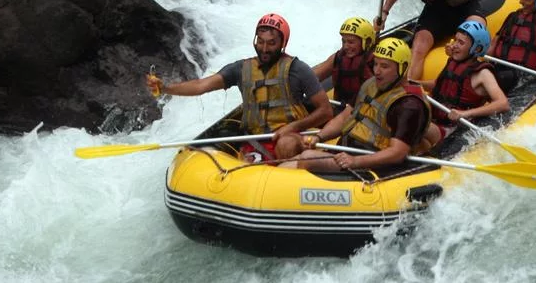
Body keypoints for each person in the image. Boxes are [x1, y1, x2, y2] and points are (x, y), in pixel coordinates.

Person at [145, 13, 333, 160]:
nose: (264, 49)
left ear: (283, 44)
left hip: (291, 136)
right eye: (260, 42)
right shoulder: (241, 69)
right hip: (255, 139)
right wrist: (166, 88)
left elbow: (325, 112)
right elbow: (201, 86)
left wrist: (293, 126)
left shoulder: (298, 69)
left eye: (271, 43)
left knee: (286, 146)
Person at [287, 37, 431, 173]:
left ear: (402, 68)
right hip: (345, 152)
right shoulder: (370, 85)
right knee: (290, 149)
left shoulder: (409, 105)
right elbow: (345, 117)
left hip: (371, 166)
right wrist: (319, 137)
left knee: (307, 159)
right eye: (376, 64)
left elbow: (397, 153)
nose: (377, 71)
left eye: (385, 66)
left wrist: (355, 161)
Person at [421, 20, 510, 151]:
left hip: (452, 129)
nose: (454, 45)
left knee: (414, 121)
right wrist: (414, 83)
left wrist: (464, 113)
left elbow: (503, 103)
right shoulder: (453, 61)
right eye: (455, 40)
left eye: (461, 43)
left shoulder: (482, 73)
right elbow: (438, 85)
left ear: (477, 48)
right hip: (435, 119)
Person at [311, 17, 376, 104]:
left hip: (365, 110)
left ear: (366, 42)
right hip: (340, 105)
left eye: (351, 42)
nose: (345, 46)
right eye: (344, 41)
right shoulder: (339, 57)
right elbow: (312, 77)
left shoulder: (377, 62)